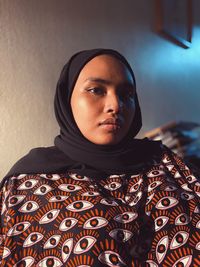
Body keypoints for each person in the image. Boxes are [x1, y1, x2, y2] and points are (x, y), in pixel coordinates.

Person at [0, 48, 199, 267]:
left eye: (127, 95)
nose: (115, 106)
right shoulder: (28, 184)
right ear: (68, 99)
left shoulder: (166, 163)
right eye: (96, 90)